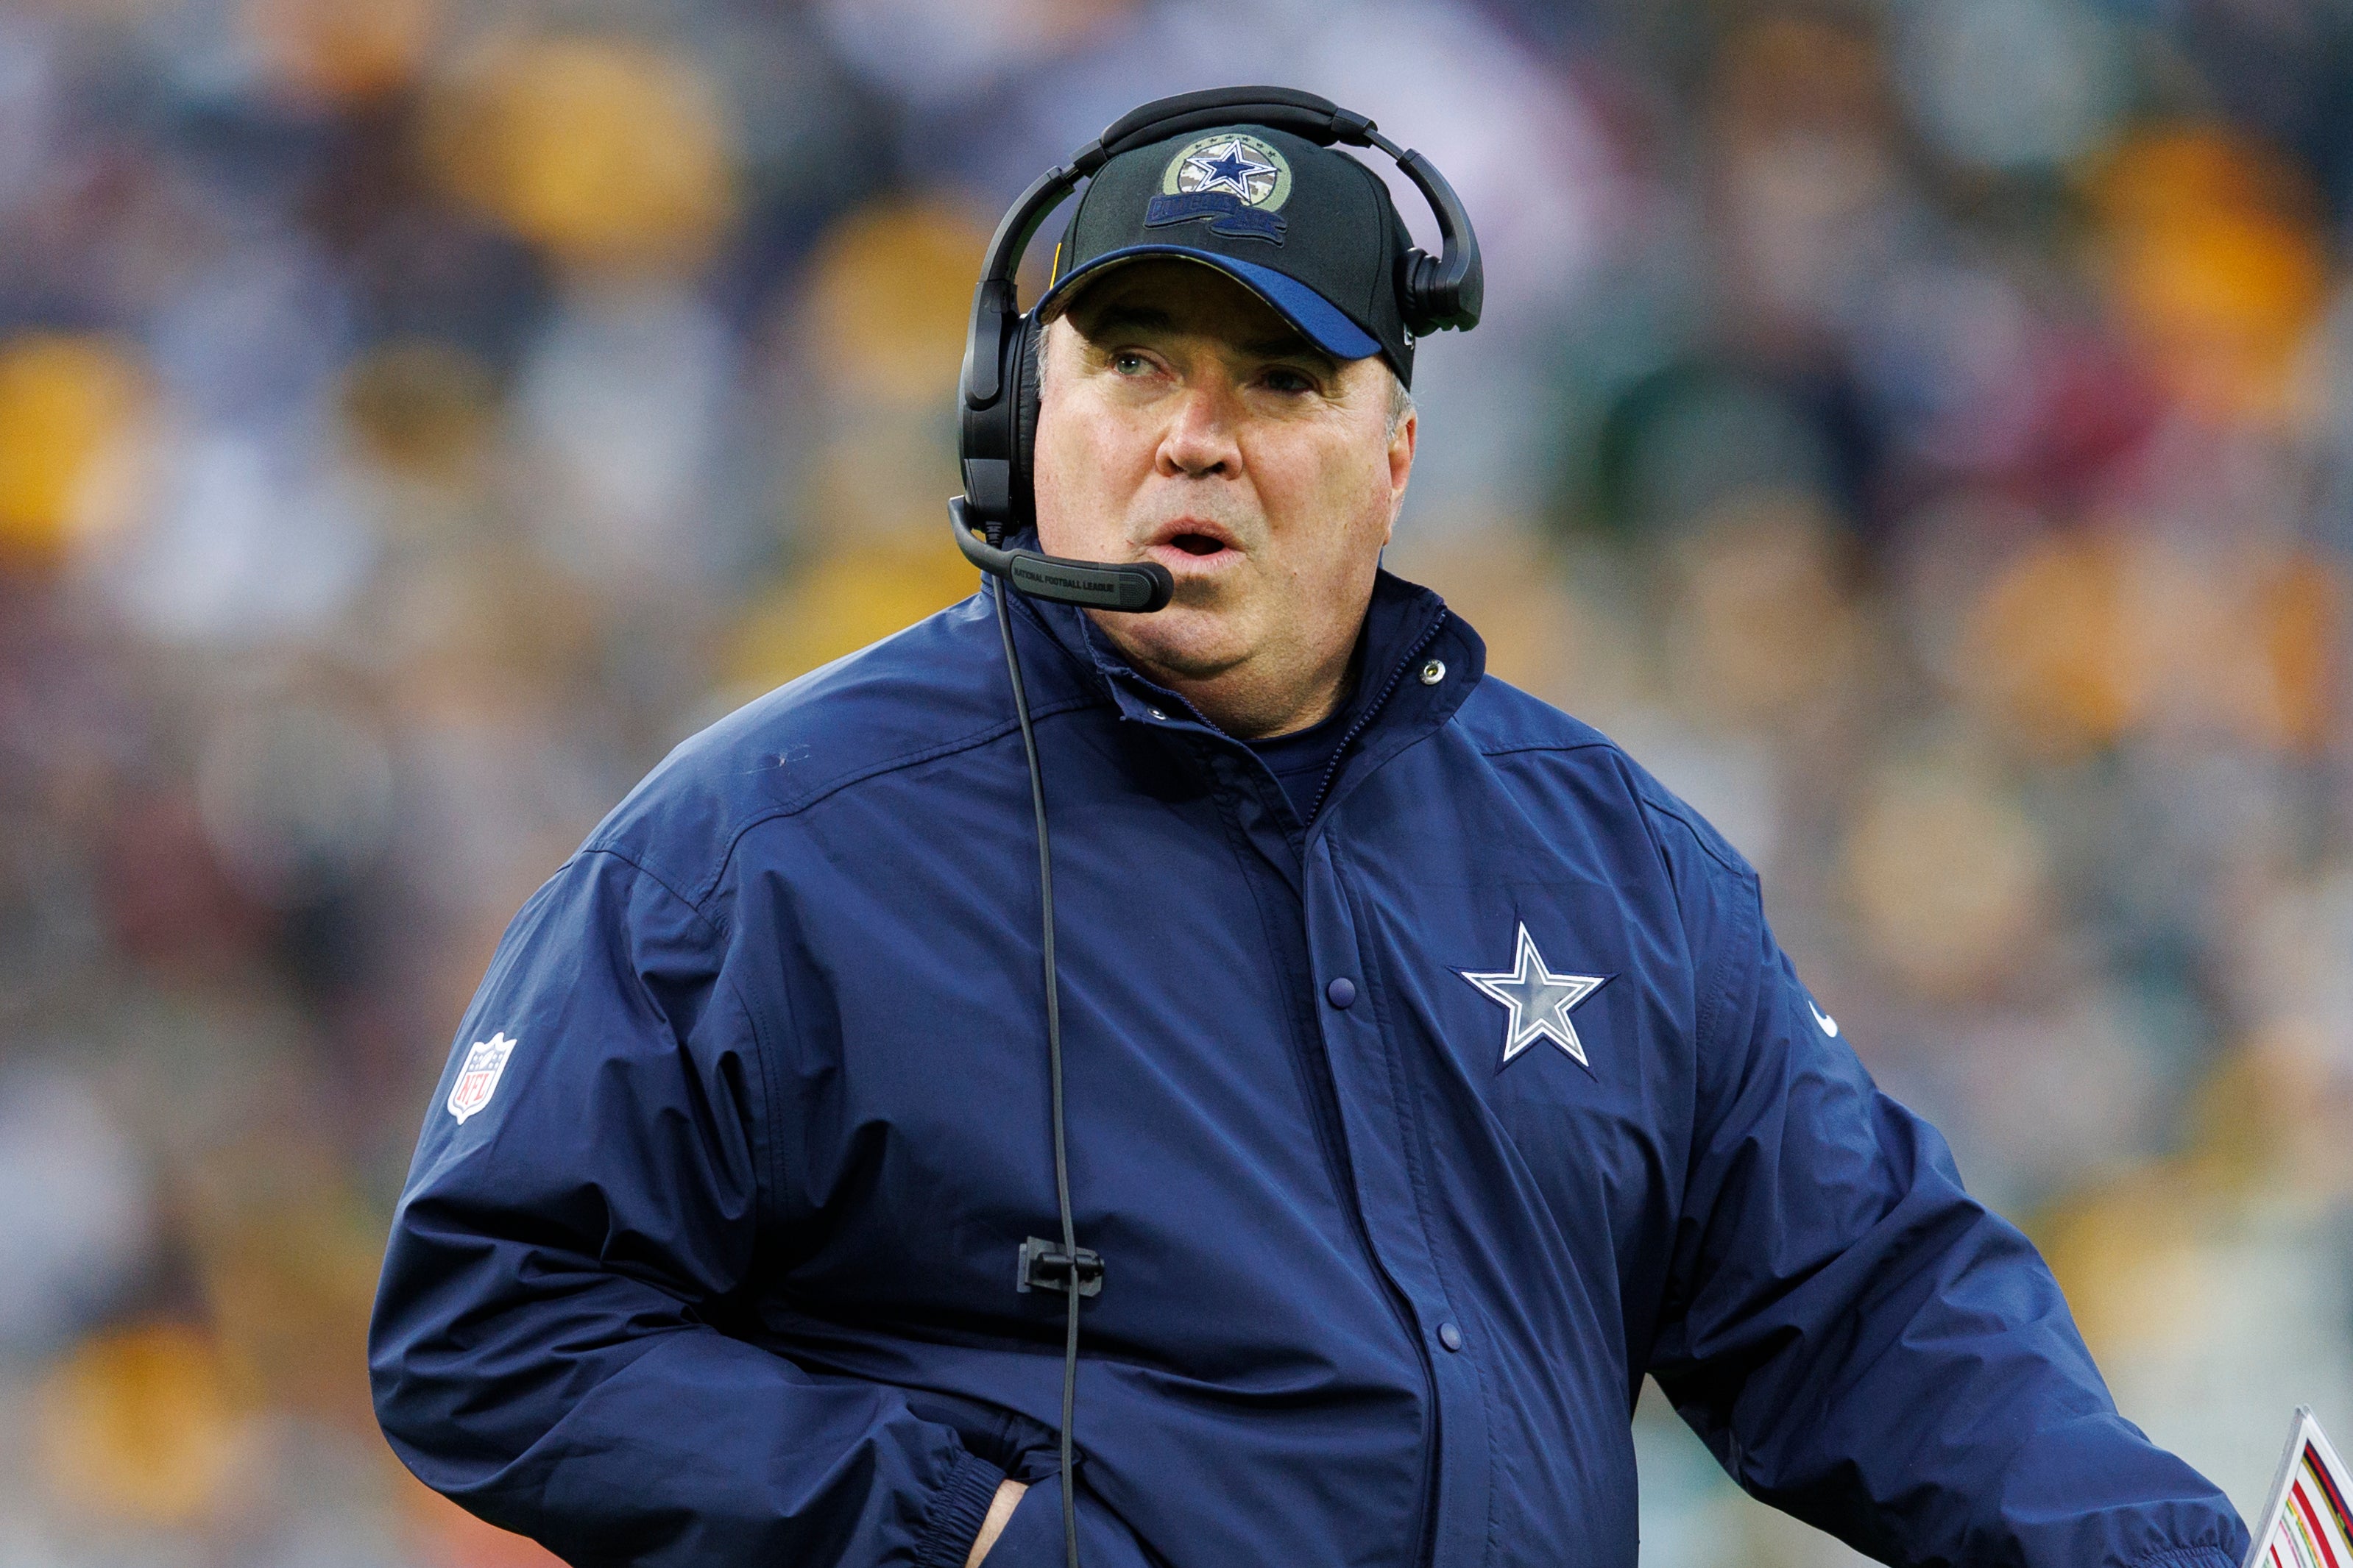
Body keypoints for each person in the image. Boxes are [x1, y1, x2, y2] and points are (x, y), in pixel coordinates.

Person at [369, 105, 2250, 1568]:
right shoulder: (765, 849)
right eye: (1134, 362)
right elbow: (491, 1318)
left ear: (1395, 456)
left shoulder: (1610, 861)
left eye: (1278, 380)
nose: (1194, 436)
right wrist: (949, 1529)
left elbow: (1869, 1302)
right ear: (1029, 414)